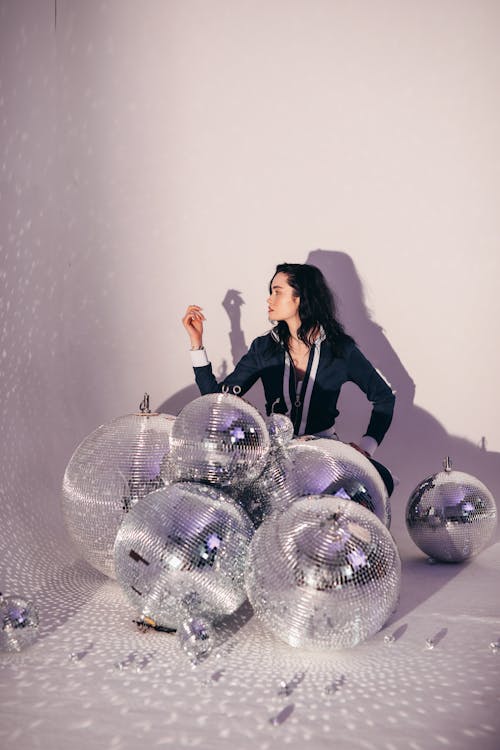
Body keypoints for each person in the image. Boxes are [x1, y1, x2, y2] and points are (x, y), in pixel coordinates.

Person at [182, 262, 396, 493]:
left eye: (277, 291)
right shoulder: (264, 347)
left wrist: (366, 447)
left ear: (300, 297)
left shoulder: (340, 350)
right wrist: (197, 344)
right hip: (275, 455)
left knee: (380, 479)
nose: (269, 299)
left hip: (324, 453)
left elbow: (384, 397)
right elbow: (218, 401)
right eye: (270, 292)